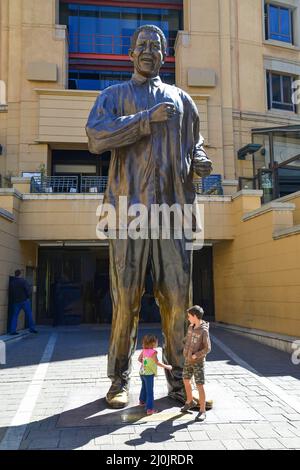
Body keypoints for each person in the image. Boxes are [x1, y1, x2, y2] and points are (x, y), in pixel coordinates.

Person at [86, 24, 213, 408]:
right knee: (126, 299)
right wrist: (145, 119)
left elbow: (196, 145)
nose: (148, 51)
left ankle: (180, 384)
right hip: (128, 212)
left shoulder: (183, 100)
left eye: (155, 46)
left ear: (164, 55)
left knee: (178, 300)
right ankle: (118, 380)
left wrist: (200, 162)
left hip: (173, 213)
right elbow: (96, 137)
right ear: (130, 54)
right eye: (141, 46)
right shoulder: (114, 96)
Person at [181, 305, 211, 422]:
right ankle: (190, 401)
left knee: (199, 385)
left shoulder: (204, 331)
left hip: (198, 362)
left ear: (195, 316)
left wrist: (196, 355)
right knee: (185, 379)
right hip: (188, 359)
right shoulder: (190, 327)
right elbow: (188, 340)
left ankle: (202, 411)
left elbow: (207, 348)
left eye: (189, 316)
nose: (188, 318)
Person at [138, 335, 172, 415]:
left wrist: (145, 363)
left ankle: (142, 401)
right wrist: (167, 366)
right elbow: (157, 362)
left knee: (144, 387)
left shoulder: (144, 350)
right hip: (149, 374)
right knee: (150, 392)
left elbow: (139, 359)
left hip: (142, 372)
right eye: (156, 342)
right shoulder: (153, 352)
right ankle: (149, 409)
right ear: (153, 344)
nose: (157, 343)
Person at [9, 270, 37, 335]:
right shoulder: (23, 281)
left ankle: (12, 331)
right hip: (24, 301)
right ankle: (32, 329)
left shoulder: (12, 283)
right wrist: (28, 297)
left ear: (15, 274)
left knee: (15, 316)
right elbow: (28, 290)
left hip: (16, 301)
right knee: (29, 315)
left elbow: (11, 293)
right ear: (20, 274)